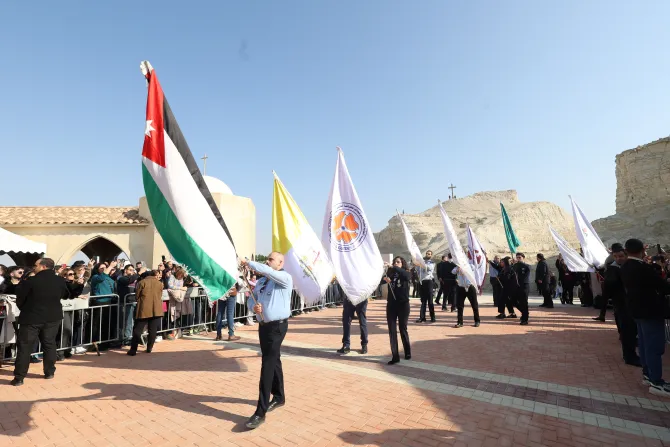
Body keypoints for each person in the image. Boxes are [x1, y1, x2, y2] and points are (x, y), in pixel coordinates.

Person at [241, 253, 293, 430]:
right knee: (273, 358)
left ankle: (260, 412)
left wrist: (248, 262)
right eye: (267, 259)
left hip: (277, 327)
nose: (267, 262)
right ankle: (279, 396)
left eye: (271, 259)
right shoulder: (263, 282)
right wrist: (253, 307)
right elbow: (251, 299)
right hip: (263, 325)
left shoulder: (284, 278)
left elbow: (267, 271)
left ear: (280, 263)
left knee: (267, 364)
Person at [620, 239, 670, 396]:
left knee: (644, 343)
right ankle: (656, 381)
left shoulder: (625, 267)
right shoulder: (643, 268)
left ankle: (648, 375)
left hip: (637, 311)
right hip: (651, 311)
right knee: (654, 346)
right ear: (642, 250)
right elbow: (661, 286)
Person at [11, 258, 70, 386]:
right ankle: (49, 372)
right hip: (53, 317)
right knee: (49, 344)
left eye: (36, 265)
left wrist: (25, 308)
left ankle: (19, 377)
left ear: (43, 267)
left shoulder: (31, 281)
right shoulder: (59, 280)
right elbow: (64, 295)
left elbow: (20, 298)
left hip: (32, 317)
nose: (34, 267)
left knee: (25, 347)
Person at [127, 270, 164, 356]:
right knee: (153, 330)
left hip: (144, 309)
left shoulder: (142, 282)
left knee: (138, 329)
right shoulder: (159, 283)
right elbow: (160, 295)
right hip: (156, 309)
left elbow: (137, 295)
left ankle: (133, 350)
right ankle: (149, 348)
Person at [383, 257, 411, 365]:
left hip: (403, 304)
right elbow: (382, 281)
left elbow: (407, 277)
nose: (396, 263)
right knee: (392, 329)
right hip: (391, 305)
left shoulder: (406, 273)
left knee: (402, 328)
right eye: (394, 262)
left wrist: (394, 267)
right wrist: (385, 279)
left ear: (402, 264)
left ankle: (407, 351)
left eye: (398, 262)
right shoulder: (390, 273)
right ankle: (395, 355)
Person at [416, 250, 436, 323]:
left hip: (429, 281)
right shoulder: (421, 262)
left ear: (431, 255)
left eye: (429, 254)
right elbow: (418, 270)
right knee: (423, 301)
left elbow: (429, 268)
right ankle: (422, 317)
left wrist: (422, 263)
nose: (428, 255)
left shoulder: (432, 263)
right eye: (427, 253)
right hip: (422, 282)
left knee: (430, 301)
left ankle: (433, 317)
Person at [513, 253, 531, 324]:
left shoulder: (527, 266)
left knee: (524, 302)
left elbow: (524, 276)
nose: (518, 259)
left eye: (519, 257)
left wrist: (518, 264)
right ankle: (524, 312)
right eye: (517, 257)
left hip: (524, 286)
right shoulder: (515, 265)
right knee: (514, 301)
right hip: (516, 286)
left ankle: (525, 319)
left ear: (523, 257)